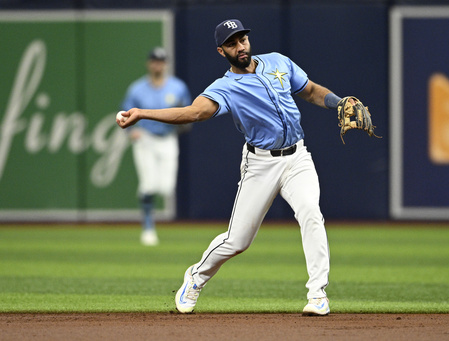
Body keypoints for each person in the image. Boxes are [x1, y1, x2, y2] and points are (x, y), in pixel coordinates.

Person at [117, 19, 351, 315]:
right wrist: (143, 114)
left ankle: (317, 295)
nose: (240, 47)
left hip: (297, 158)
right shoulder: (226, 87)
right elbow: (193, 113)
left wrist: (338, 102)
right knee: (237, 241)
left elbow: (311, 90)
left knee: (311, 214)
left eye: (242, 40)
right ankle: (196, 277)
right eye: (232, 43)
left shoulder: (278, 62)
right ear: (221, 51)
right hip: (260, 164)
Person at [121, 47, 192, 246]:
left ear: (166, 64)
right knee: (149, 184)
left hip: (168, 138)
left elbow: (189, 112)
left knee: (166, 187)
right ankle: (148, 226)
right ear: (149, 63)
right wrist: (129, 131)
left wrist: (184, 123)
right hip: (145, 138)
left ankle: (149, 219)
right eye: (154, 61)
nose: (157, 64)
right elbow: (123, 113)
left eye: (161, 61)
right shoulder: (137, 88)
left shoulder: (177, 87)